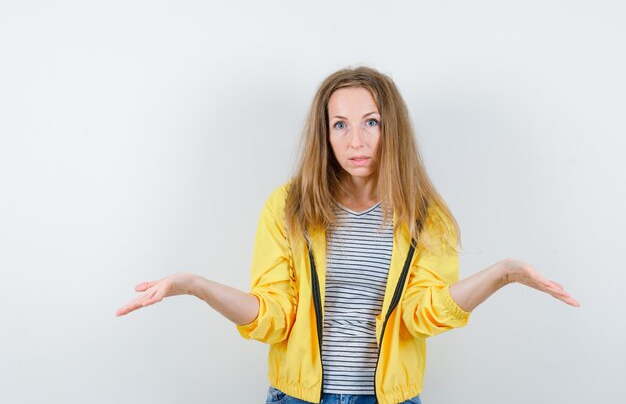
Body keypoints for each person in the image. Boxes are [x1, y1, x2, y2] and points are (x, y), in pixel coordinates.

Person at [116, 66, 579, 404]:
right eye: (340, 124)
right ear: (326, 133)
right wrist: (192, 285)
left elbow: (423, 315)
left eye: (370, 122)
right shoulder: (288, 206)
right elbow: (273, 316)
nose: (355, 141)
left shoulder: (425, 216)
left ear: (390, 129)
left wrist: (504, 274)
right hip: (298, 399)